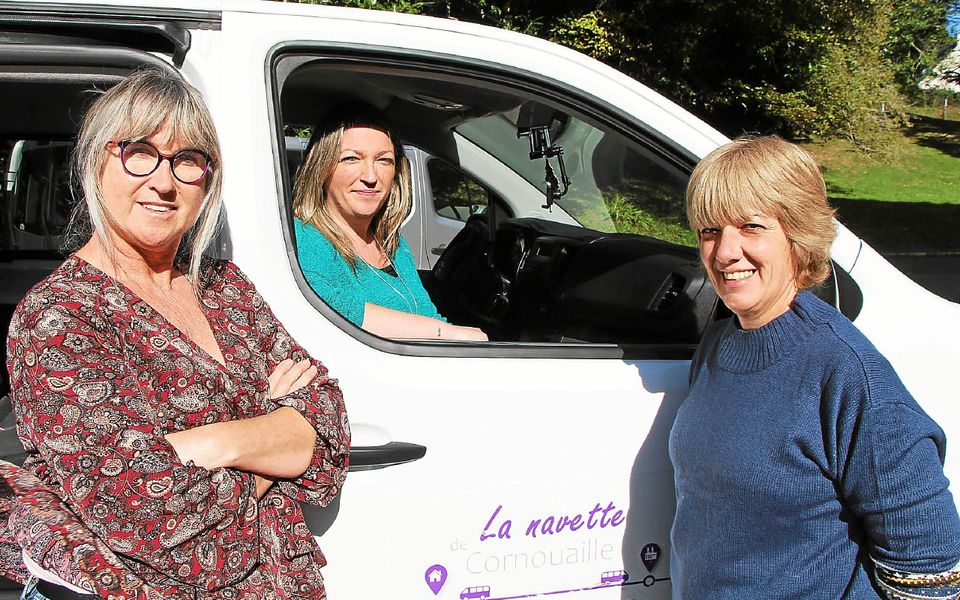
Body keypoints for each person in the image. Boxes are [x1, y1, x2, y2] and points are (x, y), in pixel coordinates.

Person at [1, 69, 349, 598]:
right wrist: (272, 440)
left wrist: (208, 443)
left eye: (187, 161)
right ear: (97, 161)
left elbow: (326, 425)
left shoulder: (223, 286)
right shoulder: (57, 316)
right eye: (139, 152)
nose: (164, 182)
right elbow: (156, 519)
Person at [669, 135, 960, 599]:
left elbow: (929, 566)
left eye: (750, 227)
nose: (724, 252)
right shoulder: (722, 341)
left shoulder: (844, 369)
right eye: (710, 231)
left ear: (798, 233)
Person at [292, 105, 486, 341]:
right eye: (352, 158)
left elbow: (426, 313)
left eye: (384, 161)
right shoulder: (305, 238)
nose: (370, 177)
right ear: (321, 168)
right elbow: (331, 308)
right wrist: (446, 333)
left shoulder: (392, 244)